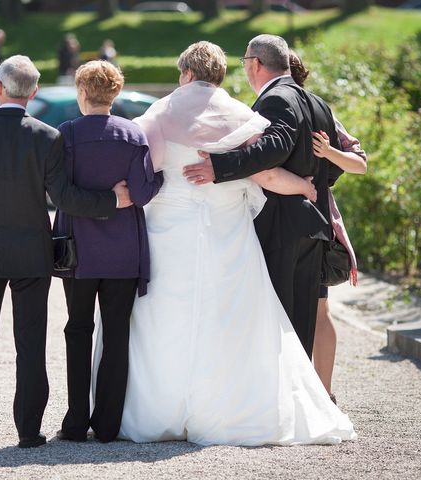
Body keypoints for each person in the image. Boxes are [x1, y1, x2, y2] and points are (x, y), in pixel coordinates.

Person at [112, 41, 355, 446]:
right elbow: (267, 172)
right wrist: (303, 186)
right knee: (228, 319)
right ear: (220, 74)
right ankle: (229, 409)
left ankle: (161, 411)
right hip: (227, 232)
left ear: (186, 73)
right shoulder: (240, 114)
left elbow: (142, 174)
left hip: (170, 233)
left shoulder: (160, 112)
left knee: (163, 320)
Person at [0, 55, 133, 450]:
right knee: (30, 343)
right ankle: (29, 431)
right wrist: (110, 201)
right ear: (33, 93)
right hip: (33, 253)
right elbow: (63, 197)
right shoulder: (48, 136)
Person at [184, 34, 343, 358]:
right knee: (300, 328)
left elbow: (273, 148)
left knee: (276, 324)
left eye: (245, 62)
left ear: (255, 63)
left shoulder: (277, 100)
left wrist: (220, 166)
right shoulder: (317, 102)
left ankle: (282, 402)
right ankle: (299, 401)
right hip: (311, 224)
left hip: (279, 227)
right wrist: (306, 183)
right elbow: (334, 167)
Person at [53, 60, 163, 444]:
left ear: (82, 93)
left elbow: (60, 193)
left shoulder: (65, 134)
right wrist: (160, 176)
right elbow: (143, 194)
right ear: (114, 94)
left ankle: (75, 421)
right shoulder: (134, 136)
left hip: (78, 251)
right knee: (117, 336)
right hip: (123, 253)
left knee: (78, 330)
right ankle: (108, 425)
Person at [289, 50, 367, 403]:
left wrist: (327, 151)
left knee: (320, 309)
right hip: (294, 219)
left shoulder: (321, 116)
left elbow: (359, 164)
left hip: (315, 219)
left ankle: (323, 393)